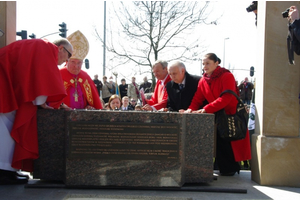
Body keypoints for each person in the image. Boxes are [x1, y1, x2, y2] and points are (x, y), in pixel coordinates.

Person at [0, 38, 73, 184]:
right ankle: (3, 172)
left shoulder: (42, 47)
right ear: (60, 48)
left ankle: (9, 170)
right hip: (3, 79)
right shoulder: (47, 49)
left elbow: (34, 76)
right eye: (69, 55)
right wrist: (41, 103)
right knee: (5, 127)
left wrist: (42, 102)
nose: (66, 61)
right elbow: (41, 77)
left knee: (9, 126)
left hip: (8, 81)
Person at [180, 53, 251, 176]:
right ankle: (223, 168)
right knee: (219, 142)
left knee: (229, 142)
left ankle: (230, 169)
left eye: (208, 63)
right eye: (203, 64)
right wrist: (190, 110)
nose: (205, 66)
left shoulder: (227, 76)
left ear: (216, 63)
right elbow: (198, 98)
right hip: (217, 114)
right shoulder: (203, 80)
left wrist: (206, 109)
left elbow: (227, 97)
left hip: (230, 115)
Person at [56, 30, 102, 110]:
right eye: (73, 62)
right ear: (67, 61)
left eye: (79, 63)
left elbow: (94, 103)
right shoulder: (58, 74)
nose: (76, 66)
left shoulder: (85, 77)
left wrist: (89, 107)